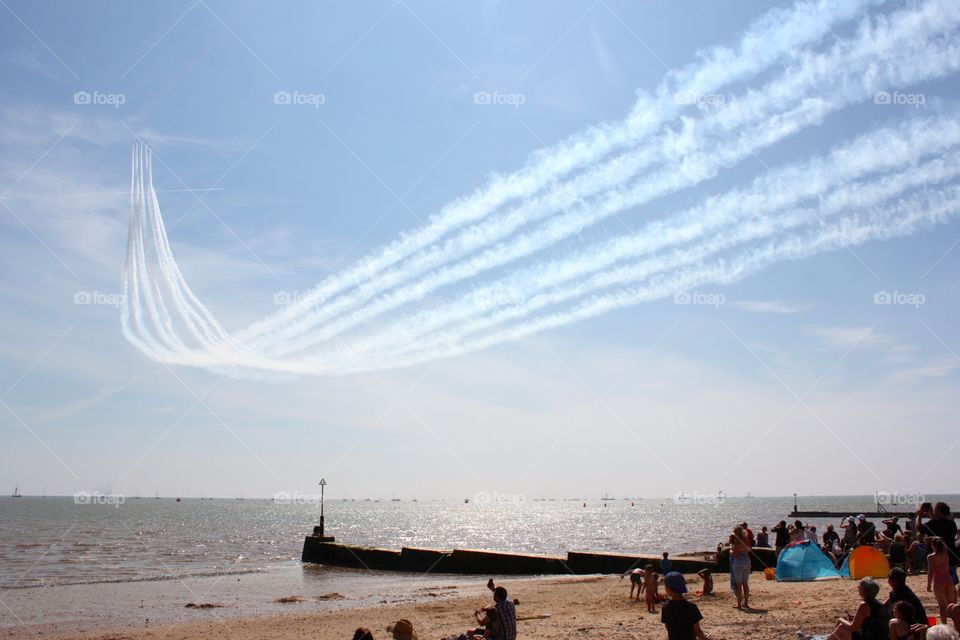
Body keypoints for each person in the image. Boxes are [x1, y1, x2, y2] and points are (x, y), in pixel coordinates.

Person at [917, 502, 959, 585]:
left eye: (935, 509)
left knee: (941, 585)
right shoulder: (952, 523)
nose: (934, 511)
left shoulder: (934, 523)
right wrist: (931, 514)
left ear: (939, 511)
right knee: (951, 584)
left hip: (939, 558)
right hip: (952, 556)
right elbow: (938, 525)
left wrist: (919, 515)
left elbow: (919, 529)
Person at [661, 572, 709, 640]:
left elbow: (667, 627)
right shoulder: (692, 607)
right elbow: (697, 631)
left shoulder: (665, 608)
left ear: (668, 589)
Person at [928, 537, 958, 624]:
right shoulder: (945, 553)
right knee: (951, 604)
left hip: (939, 580)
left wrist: (929, 584)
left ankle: (944, 623)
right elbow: (943, 542)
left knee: (942, 605)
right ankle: (956, 623)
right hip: (948, 579)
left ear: (933, 546)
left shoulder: (931, 557)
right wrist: (937, 540)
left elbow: (931, 572)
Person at [729, 526, 751, 610]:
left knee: (738, 584)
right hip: (747, 560)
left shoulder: (737, 540)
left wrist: (730, 551)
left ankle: (739, 604)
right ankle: (745, 603)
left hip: (738, 562)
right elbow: (749, 549)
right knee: (745, 583)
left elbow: (734, 553)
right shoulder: (746, 539)